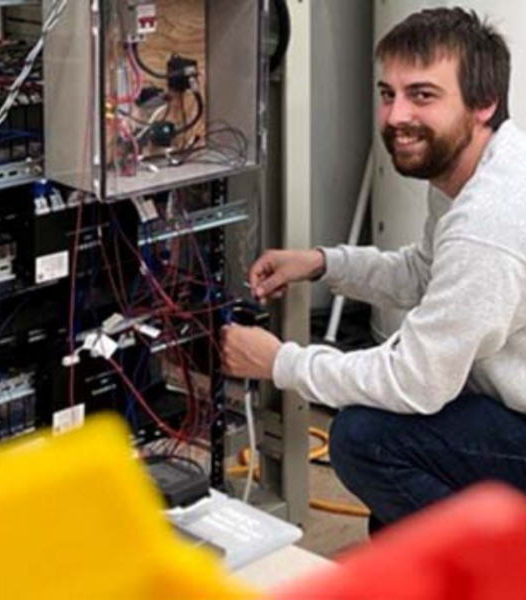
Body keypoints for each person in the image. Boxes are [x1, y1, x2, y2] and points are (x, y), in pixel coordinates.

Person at [221, 7, 526, 530]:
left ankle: (500, 568)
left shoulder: (489, 218)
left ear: (483, 103)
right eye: (388, 94)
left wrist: (280, 363)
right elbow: (423, 272)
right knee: (389, 520)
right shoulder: (476, 168)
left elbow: (417, 383)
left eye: (423, 95)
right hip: (503, 403)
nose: (395, 117)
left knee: (367, 440)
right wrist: (322, 264)